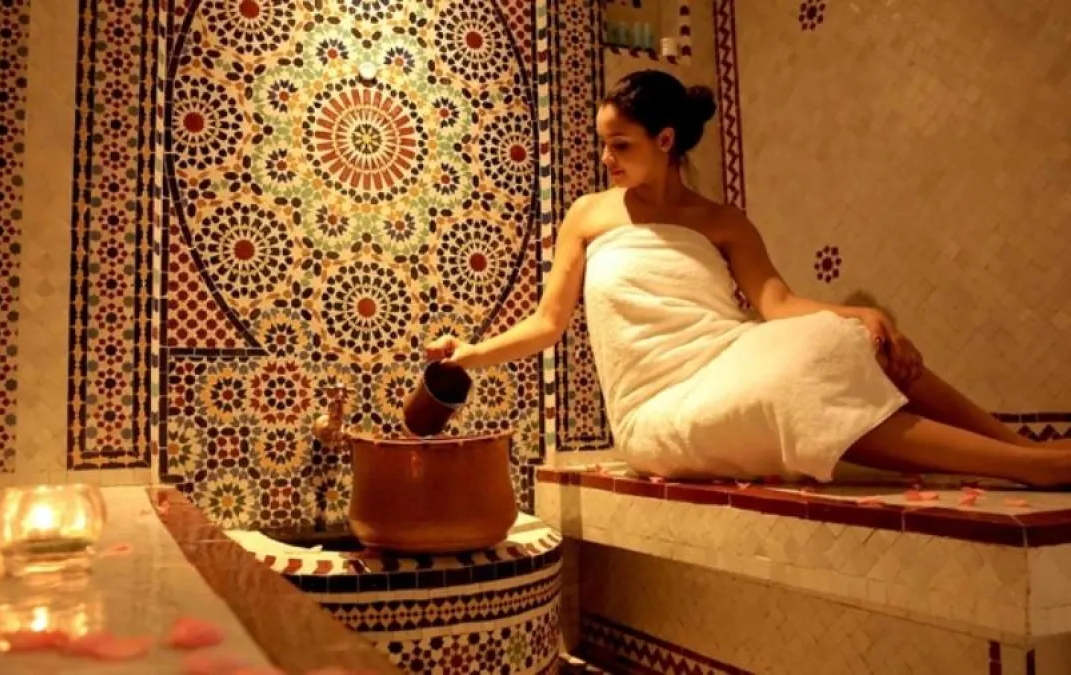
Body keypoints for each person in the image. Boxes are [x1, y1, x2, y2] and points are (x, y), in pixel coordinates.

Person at [425, 69, 1071, 487]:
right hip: (660, 407)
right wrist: (470, 353)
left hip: (726, 356)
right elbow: (548, 323)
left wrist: (865, 317)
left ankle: (1021, 447)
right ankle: (1025, 466)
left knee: (844, 340)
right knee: (799, 381)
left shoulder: (721, 220)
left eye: (621, 145)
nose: (606, 158)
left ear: (666, 140)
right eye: (605, 143)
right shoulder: (589, 216)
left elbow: (776, 303)